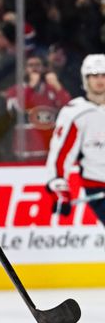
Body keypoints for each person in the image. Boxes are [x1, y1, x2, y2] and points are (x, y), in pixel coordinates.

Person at [46, 54, 105, 219]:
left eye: (103, 75)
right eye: (94, 75)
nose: (100, 80)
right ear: (86, 78)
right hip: (98, 185)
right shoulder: (75, 112)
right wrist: (58, 184)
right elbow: (61, 153)